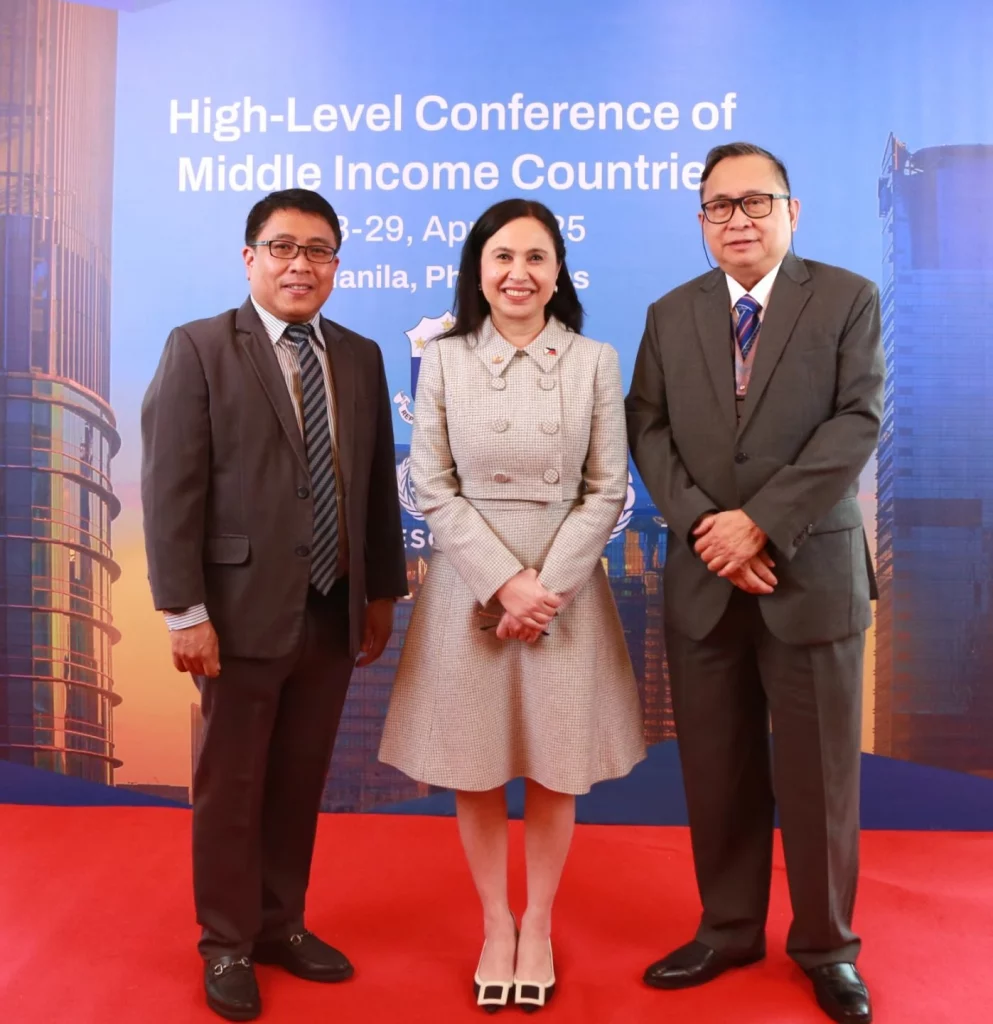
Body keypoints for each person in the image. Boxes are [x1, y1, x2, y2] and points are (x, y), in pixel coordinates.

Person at [626, 142, 883, 1024]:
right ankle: (728, 927)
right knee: (717, 769)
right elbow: (647, 428)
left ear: (791, 210)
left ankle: (826, 948)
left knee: (817, 780)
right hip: (704, 576)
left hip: (807, 575)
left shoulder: (846, 298)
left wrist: (759, 523)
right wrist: (708, 526)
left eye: (754, 201)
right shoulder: (668, 315)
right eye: (717, 206)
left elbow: (857, 420)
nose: (736, 219)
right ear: (700, 221)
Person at [141, 188, 407, 1022]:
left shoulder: (359, 356)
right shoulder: (199, 348)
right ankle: (224, 942)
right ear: (249, 256)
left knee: (298, 780)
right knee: (233, 783)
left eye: (319, 249)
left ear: (337, 262)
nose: (301, 264)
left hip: (332, 608)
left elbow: (372, 489)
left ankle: (280, 925)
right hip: (237, 612)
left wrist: (381, 595)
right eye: (283, 247)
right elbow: (169, 490)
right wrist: (183, 610)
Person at [379, 198, 645, 1013]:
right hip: (471, 583)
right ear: (478, 271)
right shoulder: (445, 359)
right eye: (501, 258)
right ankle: (496, 922)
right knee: (476, 764)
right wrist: (505, 583)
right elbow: (431, 483)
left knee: (557, 767)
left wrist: (546, 587)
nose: (517, 274)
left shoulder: (594, 359)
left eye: (535, 258)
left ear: (558, 271)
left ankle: (539, 923)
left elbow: (606, 489)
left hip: (564, 589)